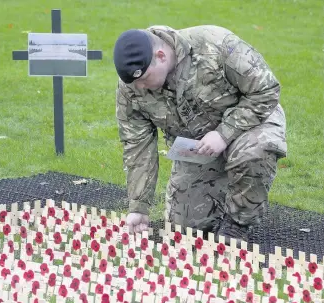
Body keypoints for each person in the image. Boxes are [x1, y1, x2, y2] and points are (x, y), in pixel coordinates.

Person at [113, 25, 287, 243]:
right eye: (134, 82)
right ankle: (228, 189)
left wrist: (224, 134)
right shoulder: (131, 87)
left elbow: (266, 90)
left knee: (253, 152)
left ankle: (237, 224)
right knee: (184, 227)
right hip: (199, 148)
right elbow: (137, 147)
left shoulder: (214, 44)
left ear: (161, 56)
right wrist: (138, 206)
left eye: (144, 78)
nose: (140, 86)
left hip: (251, 124)